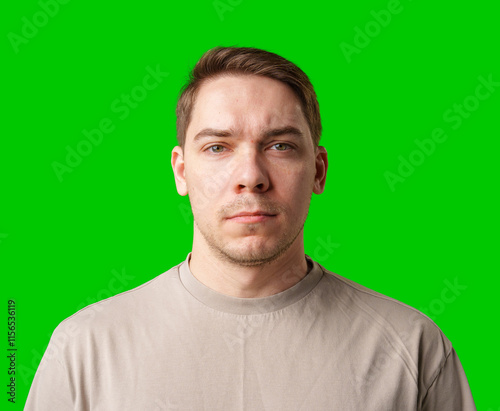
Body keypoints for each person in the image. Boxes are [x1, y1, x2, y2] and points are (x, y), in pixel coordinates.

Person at [25, 46, 476, 410]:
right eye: (218, 147)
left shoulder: (413, 349)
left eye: (279, 145)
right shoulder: (83, 351)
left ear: (318, 170)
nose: (251, 175)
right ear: (181, 172)